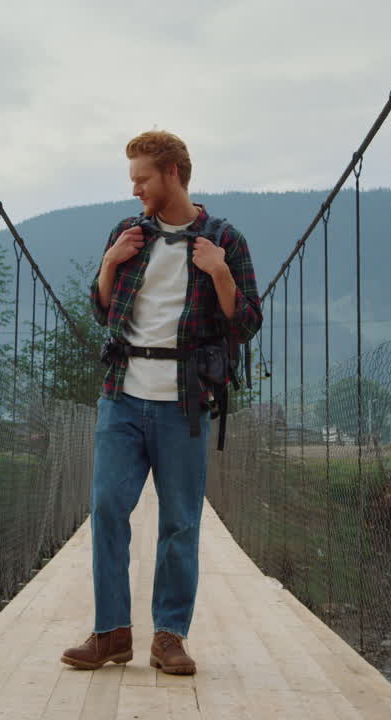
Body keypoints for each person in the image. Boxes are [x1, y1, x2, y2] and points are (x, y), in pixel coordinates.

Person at [59, 130, 262, 675]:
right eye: (132, 180)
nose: (135, 190)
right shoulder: (128, 233)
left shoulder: (226, 239)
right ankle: (112, 634)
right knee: (106, 510)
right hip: (121, 396)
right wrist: (107, 265)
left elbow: (245, 322)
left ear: (172, 173)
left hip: (185, 403)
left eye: (142, 178)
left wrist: (218, 271)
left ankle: (169, 637)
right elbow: (105, 314)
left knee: (179, 523)